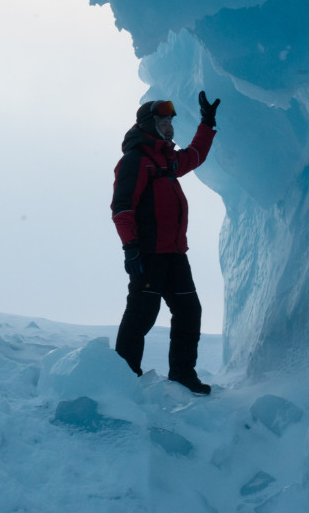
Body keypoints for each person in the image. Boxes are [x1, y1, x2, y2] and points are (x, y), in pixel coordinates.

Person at [110, 91, 221, 395]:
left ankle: (183, 374)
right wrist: (130, 247)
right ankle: (124, 379)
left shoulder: (167, 159)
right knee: (141, 316)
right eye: (162, 121)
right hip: (148, 254)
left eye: (171, 121)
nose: (169, 126)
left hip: (174, 254)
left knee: (189, 311)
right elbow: (122, 207)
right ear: (148, 124)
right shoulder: (135, 160)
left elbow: (195, 155)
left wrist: (207, 124)